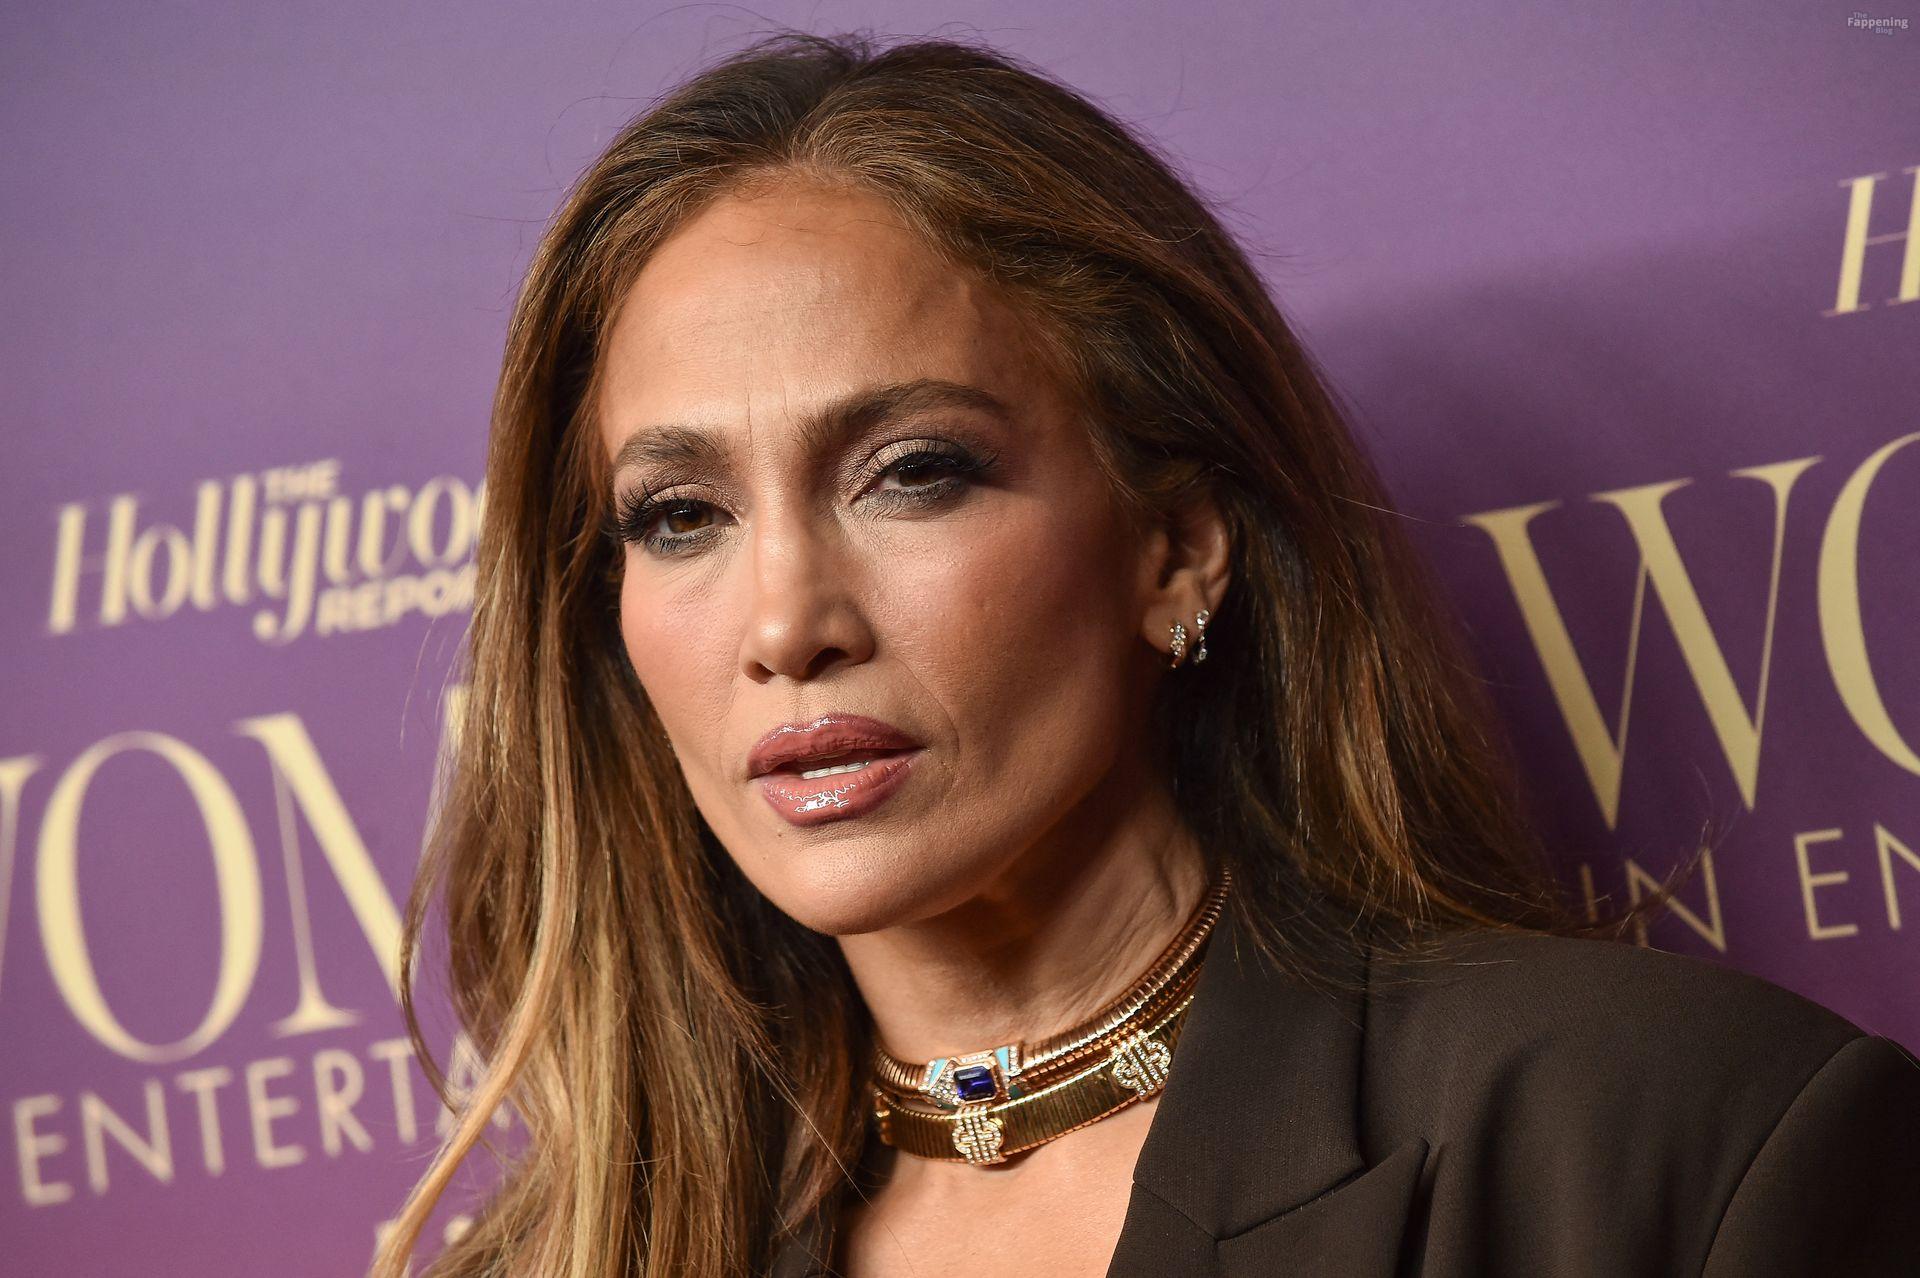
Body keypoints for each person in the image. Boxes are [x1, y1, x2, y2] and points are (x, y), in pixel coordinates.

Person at [372, 30, 1920, 1278]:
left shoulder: (1680, 1139)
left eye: (912, 473)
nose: (785, 626)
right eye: (680, 514)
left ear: (1175, 544)